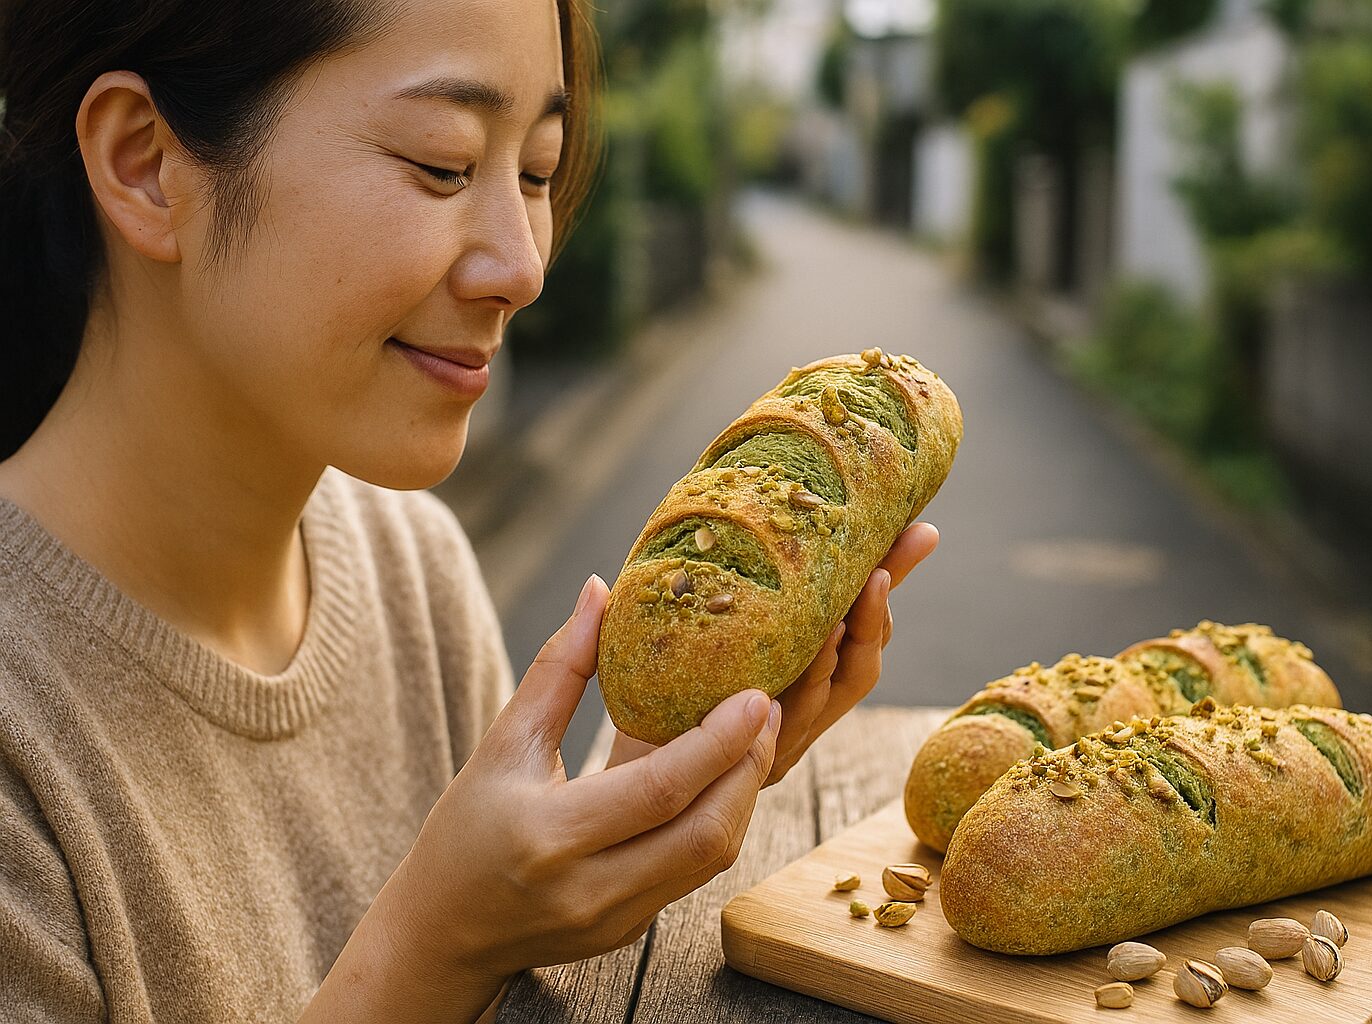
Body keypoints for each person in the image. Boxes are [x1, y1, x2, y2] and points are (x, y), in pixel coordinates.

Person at [0, 0, 940, 1020]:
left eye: (536, 171)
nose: (524, 265)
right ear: (145, 162)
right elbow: (449, 955)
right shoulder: (24, 732)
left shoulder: (414, 568)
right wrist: (435, 947)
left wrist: (614, 837)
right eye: (442, 164)